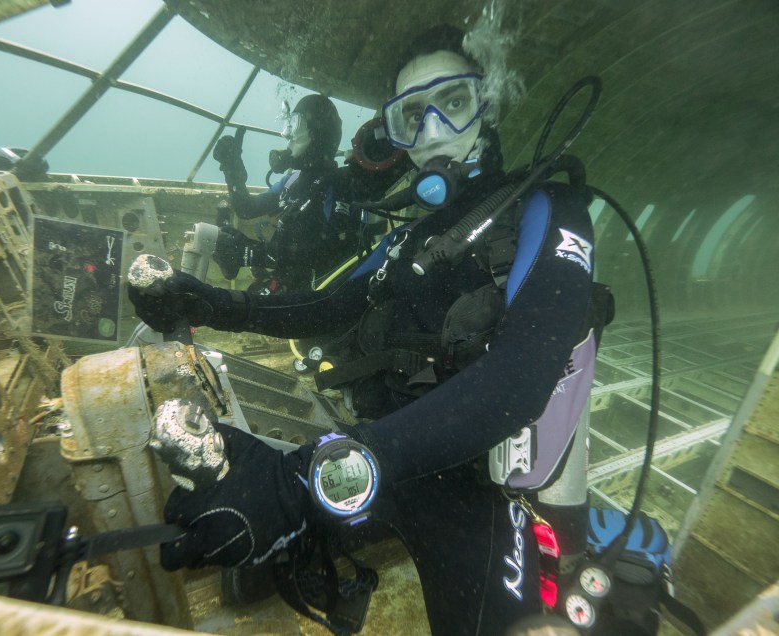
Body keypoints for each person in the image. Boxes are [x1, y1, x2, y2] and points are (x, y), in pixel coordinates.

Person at [129, 25, 609, 635]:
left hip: (482, 488)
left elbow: (519, 380)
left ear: (485, 106)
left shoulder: (551, 212)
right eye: (412, 115)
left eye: (452, 102)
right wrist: (210, 302)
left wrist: (308, 479)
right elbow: (326, 308)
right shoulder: (408, 239)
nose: (432, 130)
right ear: (397, 135)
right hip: (388, 450)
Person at [209, 94, 362, 293]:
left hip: (316, 295)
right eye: (287, 124)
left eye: (296, 125)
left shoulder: (338, 183)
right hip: (287, 283)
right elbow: (247, 209)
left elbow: (332, 252)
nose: (288, 134)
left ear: (318, 133)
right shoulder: (292, 180)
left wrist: (256, 254)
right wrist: (233, 171)